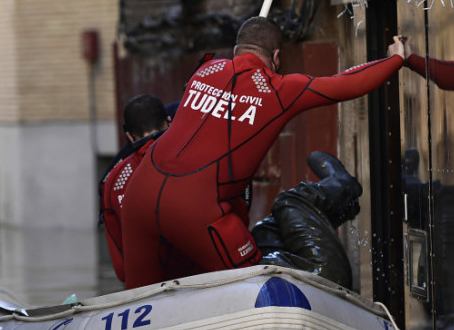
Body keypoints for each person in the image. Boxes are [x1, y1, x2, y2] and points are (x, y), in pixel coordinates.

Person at [120, 16, 407, 289]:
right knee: (256, 285)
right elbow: (345, 83)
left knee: (138, 301)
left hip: (139, 195)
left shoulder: (205, 70)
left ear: (235, 50)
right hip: (197, 208)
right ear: (277, 58)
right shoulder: (279, 88)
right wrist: (395, 58)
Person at [253, 151, 363, 290]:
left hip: (311, 282)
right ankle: (342, 186)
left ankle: (342, 207)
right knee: (287, 202)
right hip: (318, 278)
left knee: (264, 233)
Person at [99, 94, 171, 282]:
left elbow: (122, 268)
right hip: (201, 281)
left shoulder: (113, 181)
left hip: (144, 294)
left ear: (130, 136)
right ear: (169, 122)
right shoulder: (192, 159)